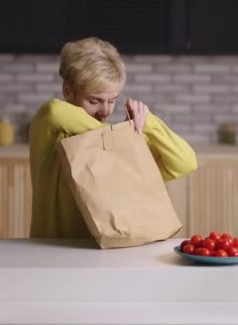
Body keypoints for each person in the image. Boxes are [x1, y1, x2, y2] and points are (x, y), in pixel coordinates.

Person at [28, 37, 197, 238]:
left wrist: (149, 122)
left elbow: (186, 162)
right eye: (95, 101)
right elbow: (53, 111)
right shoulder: (50, 129)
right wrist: (121, 133)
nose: (105, 111)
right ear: (68, 91)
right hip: (51, 254)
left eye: (113, 100)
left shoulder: (118, 144)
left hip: (106, 256)